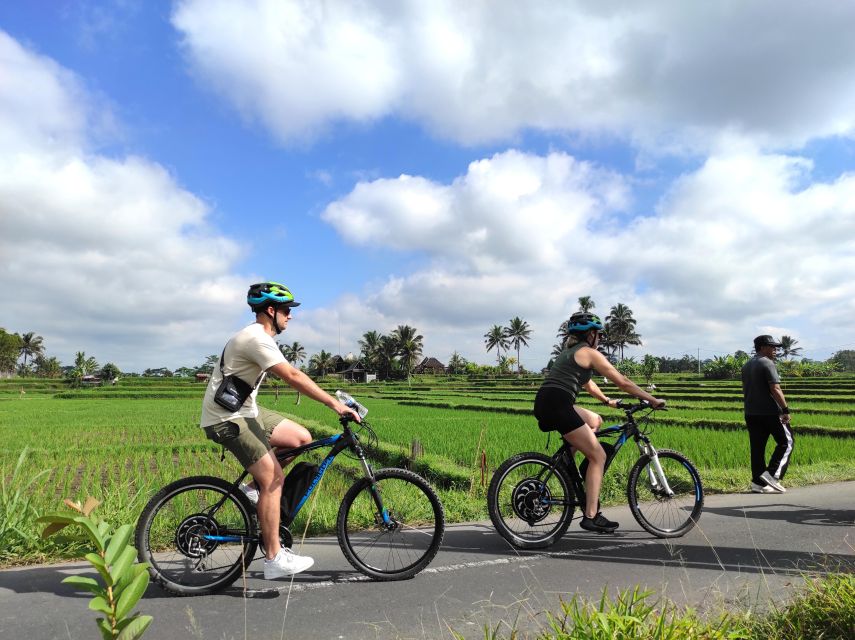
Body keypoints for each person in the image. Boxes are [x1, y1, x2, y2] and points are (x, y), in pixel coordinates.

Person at [200, 282, 361, 579]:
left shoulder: (261, 337)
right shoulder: (255, 338)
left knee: (300, 438)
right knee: (273, 477)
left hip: (248, 411)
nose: (291, 316)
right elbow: (292, 375)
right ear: (270, 311)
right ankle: (274, 558)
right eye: (287, 310)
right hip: (227, 418)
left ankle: (251, 490)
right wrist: (333, 405)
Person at [534, 312, 665, 534]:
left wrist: (606, 401)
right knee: (599, 456)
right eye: (599, 335)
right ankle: (591, 516)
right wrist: (652, 400)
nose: (601, 339)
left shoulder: (571, 353)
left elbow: (589, 384)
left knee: (595, 420)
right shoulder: (589, 353)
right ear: (591, 334)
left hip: (547, 401)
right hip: (559, 404)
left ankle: (571, 461)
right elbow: (622, 381)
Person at [741, 335, 793, 494]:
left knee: (757, 448)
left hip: (751, 413)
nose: (775, 350)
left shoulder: (746, 365)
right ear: (762, 347)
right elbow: (775, 389)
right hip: (770, 412)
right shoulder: (767, 363)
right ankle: (771, 475)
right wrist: (785, 410)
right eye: (772, 347)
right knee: (786, 442)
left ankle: (758, 483)